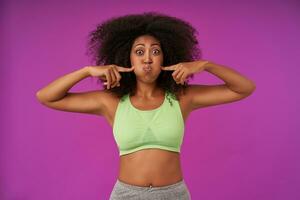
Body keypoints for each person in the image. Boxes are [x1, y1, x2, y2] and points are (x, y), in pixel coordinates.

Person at [36, 12, 256, 200]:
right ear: (127, 59)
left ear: (166, 58)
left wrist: (206, 66)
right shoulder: (110, 102)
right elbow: (47, 96)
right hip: (126, 195)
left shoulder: (182, 97)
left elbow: (243, 88)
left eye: (156, 51)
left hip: (174, 194)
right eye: (139, 52)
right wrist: (86, 71)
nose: (147, 59)